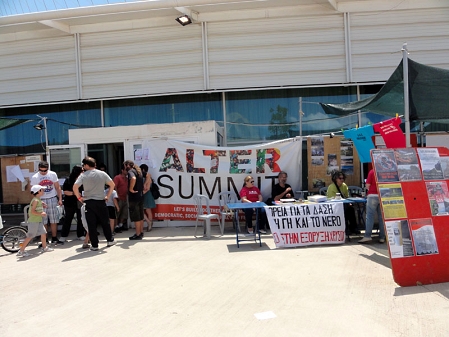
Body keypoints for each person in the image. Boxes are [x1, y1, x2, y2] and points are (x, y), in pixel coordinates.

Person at [73, 156, 116, 251]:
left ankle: (95, 245)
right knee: (105, 222)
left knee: (91, 224)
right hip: (101, 201)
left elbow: (75, 187)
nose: (83, 166)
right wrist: (108, 196)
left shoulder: (83, 175)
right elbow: (112, 185)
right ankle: (110, 240)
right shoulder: (102, 173)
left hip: (89, 202)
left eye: (84, 165)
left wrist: (79, 198)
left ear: (87, 165)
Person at [30, 161, 64, 245]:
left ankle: (54, 238)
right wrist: (37, 201)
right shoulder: (35, 177)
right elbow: (32, 191)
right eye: (41, 171)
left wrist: (60, 199)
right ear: (38, 169)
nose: (43, 172)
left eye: (45, 171)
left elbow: (57, 187)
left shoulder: (52, 174)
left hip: (52, 198)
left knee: (54, 220)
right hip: (41, 199)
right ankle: (44, 240)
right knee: (43, 221)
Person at [16, 185, 54, 257]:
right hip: (34, 221)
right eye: (42, 190)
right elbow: (32, 211)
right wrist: (41, 213)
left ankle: (44, 247)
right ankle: (21, 251)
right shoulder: (36, 200)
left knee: (43, 233)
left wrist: (42, 205)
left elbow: (36, 207)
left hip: (38, 220)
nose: (43, 191)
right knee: (30, 236)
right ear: (38, 191)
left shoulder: (38, 200)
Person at [326, 171, 360, 235]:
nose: (342, 180)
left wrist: (349, 202)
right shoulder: (331, 187)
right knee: (344, 210)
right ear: (336, 179)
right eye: (340, 178)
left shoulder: (344, 186)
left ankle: (353, 228)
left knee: (351, 209)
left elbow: (346, 197)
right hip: (335, 206)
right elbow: (330, 200)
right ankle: (345, 228)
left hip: (344, 204)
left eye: (343, 178)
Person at [359, 169, 386, 244]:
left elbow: (367, 185)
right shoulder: (385, 171)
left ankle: (367, 236)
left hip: (372, 195)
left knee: (370, 216)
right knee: (381, 217)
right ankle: (382, 237)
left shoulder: (372, 171)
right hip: (383, 195)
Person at [60, 165, 85, 242]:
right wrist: (75, 193)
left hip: (79, 202)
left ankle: (80, 234)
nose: (83, 172)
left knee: (81, 218)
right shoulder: (68, 180)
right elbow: (65, 191)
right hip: (69, 202)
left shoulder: (83, 180)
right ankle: (63, 236)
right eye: (82, 171)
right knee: (68, 218)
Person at [124, 160, 145, 240]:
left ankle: (137, 234)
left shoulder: (131, 172)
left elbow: (133, 178)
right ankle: (141, 232)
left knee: (136, 217)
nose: (125, 167)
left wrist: (131, 189)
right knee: (140, 216)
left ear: (128, 165)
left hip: (134, 197)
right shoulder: (139, 171)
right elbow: (148, 176)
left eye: (125, 165)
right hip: (140, 196)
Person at [113, 164, 129, 232]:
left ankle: (120, 225)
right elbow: (114, 186)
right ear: (122, 170)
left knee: (124, 212)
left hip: (125, 197)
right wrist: (117, 195)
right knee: (117, 213)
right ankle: (116, 226)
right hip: (118, 198)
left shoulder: (127, 179)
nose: (127, 171)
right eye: (126, 170)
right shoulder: (117, 177)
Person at [140, 164, 156, 232]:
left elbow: (147, 188)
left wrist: (141, 193)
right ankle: (149, 223)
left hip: (146, 195)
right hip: (146, 195)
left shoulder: (147, 178)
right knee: (147, 210)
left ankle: (149, 223)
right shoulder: (147, 177)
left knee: (146, 210)